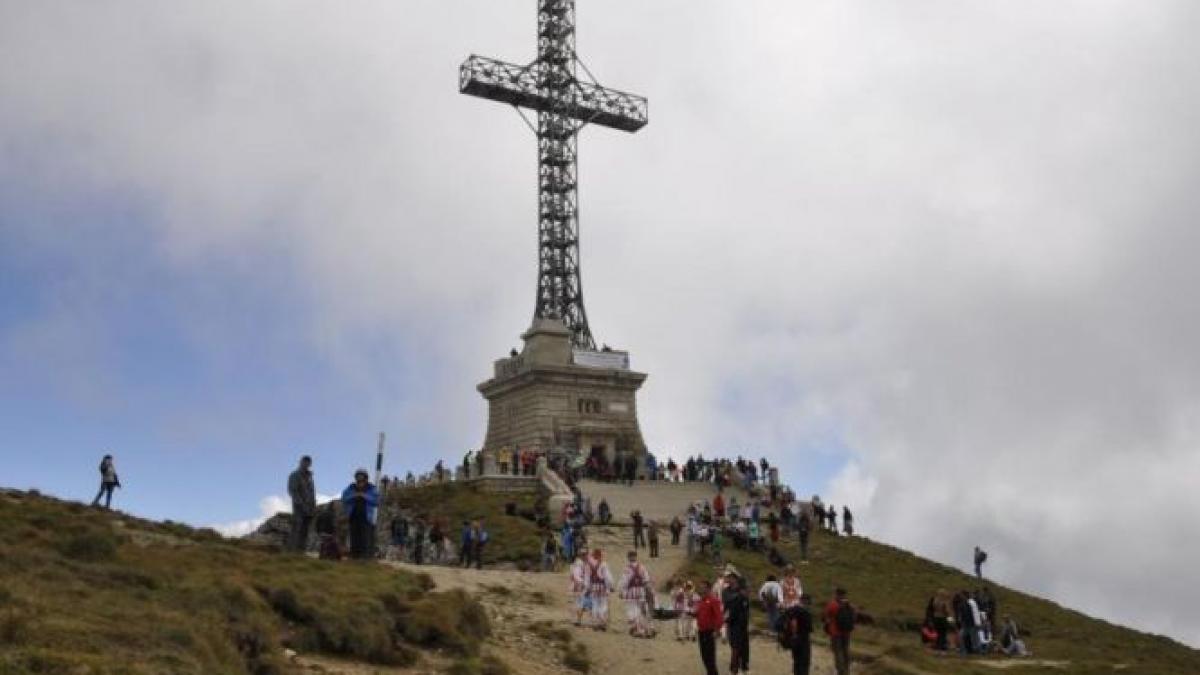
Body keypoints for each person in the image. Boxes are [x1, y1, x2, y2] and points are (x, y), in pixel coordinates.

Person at [340, 469, 378, 560]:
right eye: (358, 475)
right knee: (354, 536)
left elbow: (376, 501)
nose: (360, 477)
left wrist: (364, 496)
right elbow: (344, 498)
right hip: (353, 515)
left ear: (365, 477)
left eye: (362, 475)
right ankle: (354, 556)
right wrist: (354, 495)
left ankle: (364, 557)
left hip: (366, 516)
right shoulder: (351, 487)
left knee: (365, 537)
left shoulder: (371, 488)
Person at [618, 550, 655, 637]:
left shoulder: (627, 569)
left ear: (628, 557)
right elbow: (646, 580)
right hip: (641, 591)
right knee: (641, 611)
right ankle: (647, 629)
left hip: (631, 592)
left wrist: (621, 591)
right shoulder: (642, 567)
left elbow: (624, 582)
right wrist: (648, 591)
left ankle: (639, 629)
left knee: (633, 611)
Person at [723, 569, 751, 674]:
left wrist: (742, 595)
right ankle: (734, 667)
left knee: (743, 645)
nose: (727, 579)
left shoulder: (742, 590)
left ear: (734, 578)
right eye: (727, 577)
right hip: (732, 621)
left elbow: (746, 605)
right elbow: (727, 603)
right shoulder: (726, 591)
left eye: (729, 577)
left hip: (742, 621)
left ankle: (742, 665)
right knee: (734, 645)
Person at [780, 593, 815, 675]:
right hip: (802, 639)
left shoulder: (792, 609)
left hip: (793, 640)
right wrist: (795, 633)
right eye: (809, 602)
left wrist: (793, 636)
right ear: (806, 601)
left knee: (797, 661)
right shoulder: (803, 612)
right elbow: (794, 622)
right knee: (804, 662)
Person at [694, 578, 724, 675]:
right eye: (700, 588)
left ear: (708, 589)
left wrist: (717, 630)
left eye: (703, 588)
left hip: (709, 632)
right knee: (704, 657)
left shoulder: (713, 600)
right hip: (701, 631)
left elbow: (719, 617)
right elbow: (699, 614)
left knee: (710, 657)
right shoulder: (700, 601)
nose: (701, 589)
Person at [824, 587, 855, 675]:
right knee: (846, 650)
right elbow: (854, 617)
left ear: (837, 594)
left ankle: (841, 671)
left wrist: (828, 626)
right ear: (845, 594)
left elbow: (826, 616)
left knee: (838, 652)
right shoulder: (850, 605)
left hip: (835, 632)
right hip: (847, 632)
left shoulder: (832, 604)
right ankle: (847, 670)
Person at [585, 549, 614, 630]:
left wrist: (587, 588)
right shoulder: (603, 564)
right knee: (603, 604)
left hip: (593, 587)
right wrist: (611, 586)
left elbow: (587, 578)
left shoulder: (588, 565)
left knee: (595, 604)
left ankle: (596, 622)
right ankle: (602, 621)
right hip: (602, 587)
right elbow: (608, 577)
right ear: (599, 555)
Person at [569, 548, 591, 626]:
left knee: (582, 603)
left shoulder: (584, 563)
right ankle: (577, 620)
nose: (586, 556)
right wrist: (583, 583)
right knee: (580, 603)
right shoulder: (579, 564)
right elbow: (576, 576)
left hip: (582, 586)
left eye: (586, 554)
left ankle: (578, 620)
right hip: (579, 587)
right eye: (584, 554)